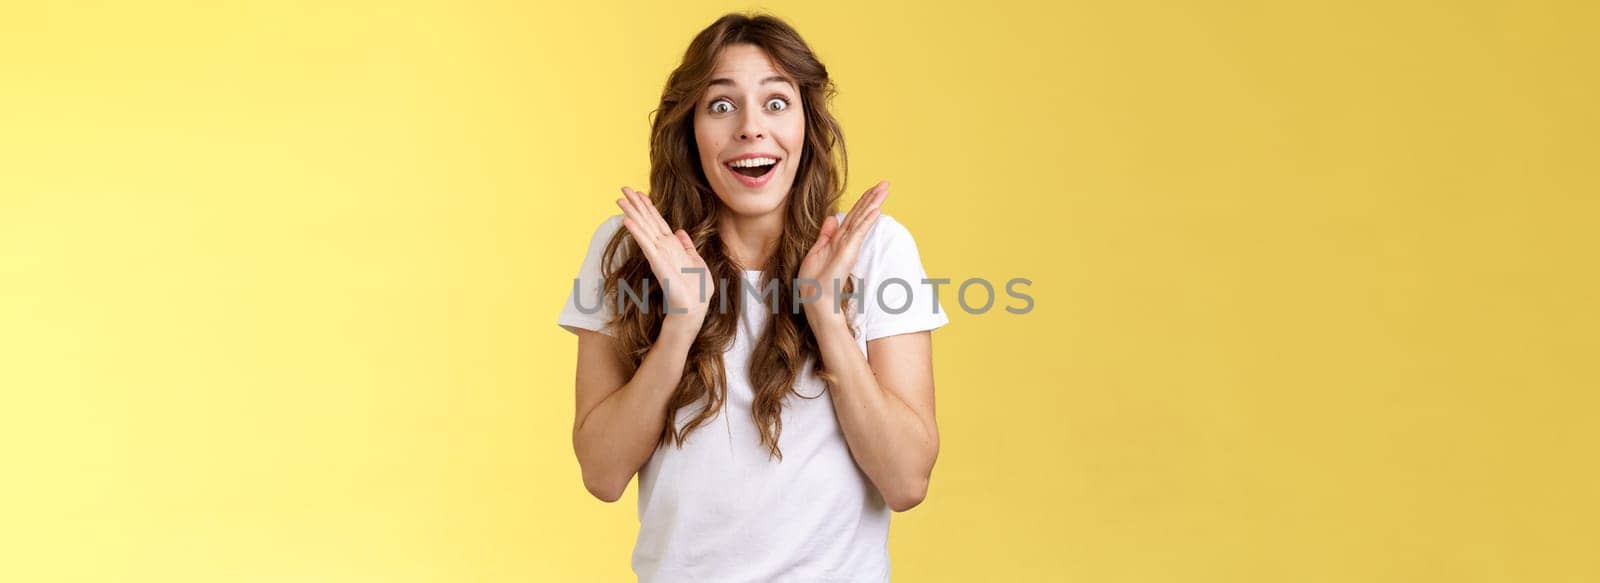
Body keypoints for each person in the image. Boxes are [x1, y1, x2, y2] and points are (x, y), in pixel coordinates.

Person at [557, 13, 948, 582]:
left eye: (775, 102)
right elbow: (602, 473)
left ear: (806, 125)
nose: (750, 128)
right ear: (689, 128)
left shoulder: (877, 250)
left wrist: (827, 317)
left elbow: (907, 481)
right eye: (721, 105)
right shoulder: (633, 250)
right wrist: (679, 326)